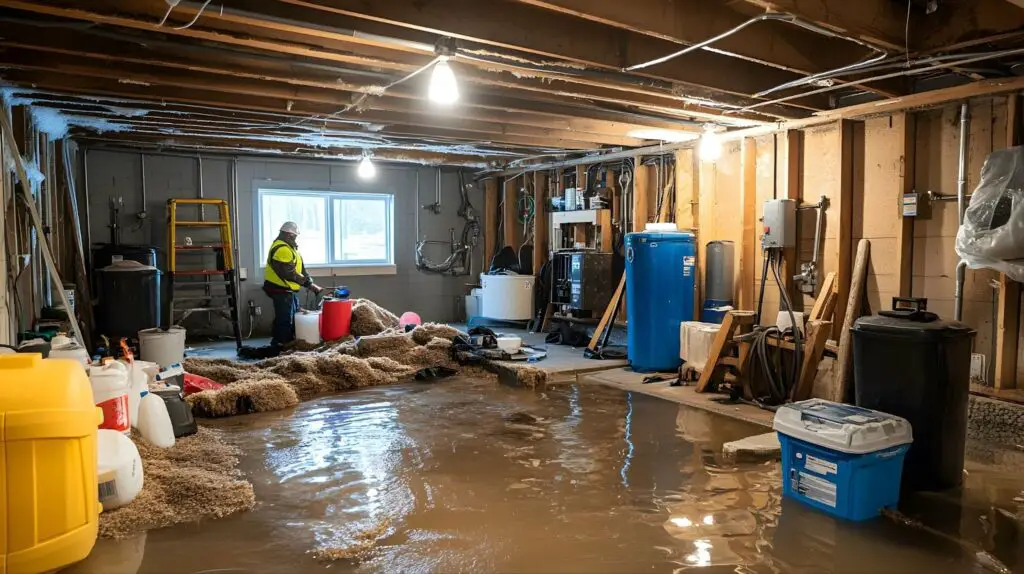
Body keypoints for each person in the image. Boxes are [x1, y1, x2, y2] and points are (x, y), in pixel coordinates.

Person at [263, 221, 322, 348]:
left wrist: (310, 283)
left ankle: (286, 341)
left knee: (293, 315)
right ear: (288, 235)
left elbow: (300, 270)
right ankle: (280, 345)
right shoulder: (282, 249)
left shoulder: (290, 248)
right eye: (294, 236)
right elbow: (289, 273)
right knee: (285, 319)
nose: (295, 238)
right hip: (280, 289)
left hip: (287, 290)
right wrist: (308, 284)